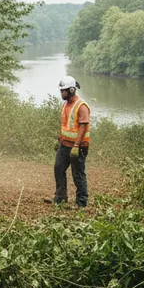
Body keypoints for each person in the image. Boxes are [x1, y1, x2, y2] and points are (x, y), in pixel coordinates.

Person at [50, 75, 90, 208]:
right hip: (64, 145)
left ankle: (81, 203)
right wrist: (60, 139)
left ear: (72, 90)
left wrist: (76, 146)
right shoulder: (66, 104)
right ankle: (60, 198)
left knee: (78, 174)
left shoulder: (81, 106)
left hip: (77, 147)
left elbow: (83, 127)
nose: (61, 93)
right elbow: (65, 124)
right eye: (61, 90)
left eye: (64, 91)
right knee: (58, 169)